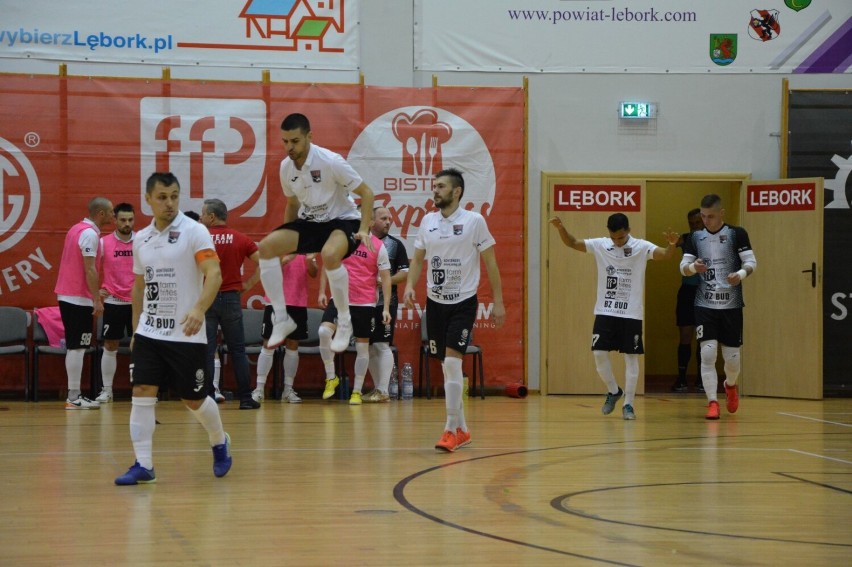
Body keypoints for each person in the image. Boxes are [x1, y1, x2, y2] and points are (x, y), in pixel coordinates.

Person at [114, 172, 231, 485]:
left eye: (175, 196)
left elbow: (214, 274)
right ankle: (143, 464)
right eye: (162, 197)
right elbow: (139, 286)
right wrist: (137, 326)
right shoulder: (141, 238)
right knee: (141, 392)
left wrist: (198, 309)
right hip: (151, 332)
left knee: (193, 399)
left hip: (186, 333)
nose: (169, 203)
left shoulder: (195, 232)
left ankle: (220, 442)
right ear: (148, 199)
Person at [404, 168, 505, 452]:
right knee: (447, 368)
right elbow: (417, 259)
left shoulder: (475, 221)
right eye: (434, 186)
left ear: (456, 191)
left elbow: (492, 265)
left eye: (440, 186)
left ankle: (450, 429)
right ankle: (463, 429)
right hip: (435, 303)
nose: (434, 190)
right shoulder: (427, 221)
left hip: (463, 302)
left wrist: (498, 302)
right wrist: (410, 286)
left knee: (451, 364)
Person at [258, 113, 375, 354]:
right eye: (285, 141)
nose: (289, 147)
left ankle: (344, 321)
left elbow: (367, 193)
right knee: (267, 247)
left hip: (343, 221)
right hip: (311, 222)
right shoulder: (285, 167)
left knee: (330, 254)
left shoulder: (331, 161)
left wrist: (364, 229)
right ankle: (281, 318)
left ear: (309, 137)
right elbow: (291, 205)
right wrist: (287, 241)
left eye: (295, 141)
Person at [549, 213, 679, 420]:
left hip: (631, 313)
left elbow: (665, 255)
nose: (617, 242)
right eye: (613, 238)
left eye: (620, 237)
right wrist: (560, 229)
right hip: (605, 310)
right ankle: (613, 390)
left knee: (631, 358)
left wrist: (672, 245)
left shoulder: (641, 246)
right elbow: (573, 243)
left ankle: (628, 404)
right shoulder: (601, 245)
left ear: (628, 230)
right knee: (599, 354)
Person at [680, 194, 757, 420]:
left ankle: (730, 385)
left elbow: (752, 262)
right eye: (703, 216)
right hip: (705, 304)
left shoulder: (737, 234)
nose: (706, 221)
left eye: (711, 216)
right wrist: (693, 267)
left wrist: (741, 274)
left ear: (722, 213)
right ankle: (712, 402)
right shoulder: (695, 237)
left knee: (732, 358)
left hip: (731, 305)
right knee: (708, 353)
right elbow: (683, 267)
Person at [200, 198, 261, 410]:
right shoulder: (240, 238)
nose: (200, 218)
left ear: (212, 216)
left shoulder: (201, 238)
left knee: (207, 350)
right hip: (231, 299)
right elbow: (265, 261)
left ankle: (207, 398)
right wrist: (248, 284)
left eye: (203, 214)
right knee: (237, 350)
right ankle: (245, 398)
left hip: (206, 299)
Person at [55, 196, 115, 409]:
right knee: (78, 347)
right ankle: (73, 396)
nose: (113, 216)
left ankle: (74, 395)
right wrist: (96, 299)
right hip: (77, 298)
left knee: (76, 346)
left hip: (70, 295)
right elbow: (90, 269)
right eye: (111, 212)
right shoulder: (89, 234)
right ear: (100, 214)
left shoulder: (76, 229)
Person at [317, 232, 391, 404]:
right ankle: (331, 377)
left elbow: (386, 278)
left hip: (364, 303)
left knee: (362, 348)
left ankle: (356, 391)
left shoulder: (378, 245)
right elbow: (327, 264)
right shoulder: (342, 240)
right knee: (323, 332)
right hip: (339, 298)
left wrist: (385, 307)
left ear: (370, 223)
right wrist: (321, 291)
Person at [252, 253, 318, 404]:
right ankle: (259, 389)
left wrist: (310, 262)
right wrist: (284, 260)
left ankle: (288, 389)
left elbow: (314, 273)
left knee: (293, 345)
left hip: (298, 302)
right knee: (269, 344)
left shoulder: (307, 249)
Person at [364, 206, 409, 402]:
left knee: (382, 345)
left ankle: (383, 390)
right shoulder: (360, 244)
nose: (388, 222)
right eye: (383, 218)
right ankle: (377, 389)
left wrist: (383, 281)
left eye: (390, 218)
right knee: (368, 346)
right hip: (363, 303)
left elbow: (405, 273)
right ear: (371, 222)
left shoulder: (395, 245)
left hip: (385, 303)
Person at [95, 202, 135, 403]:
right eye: (122, 220)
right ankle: (107, 390)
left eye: (130, 220)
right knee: (110, 345)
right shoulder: (103, 243)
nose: (127, 223)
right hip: (113, 301)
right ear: (115, 220)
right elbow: (90, 268)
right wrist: (96, 291)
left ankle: (141, 390)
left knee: (142, 346)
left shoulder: (143, 241)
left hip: (138, 302)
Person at [672, 208, 705, 393]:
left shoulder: (713, 239)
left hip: (706, 292)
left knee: (704, 338)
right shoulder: (685, 239)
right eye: (691, 223)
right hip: (687, 292)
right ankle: (682, 379)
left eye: (697, 223)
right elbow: (669, 248)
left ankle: (701, 379)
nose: (694, 227)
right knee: (685, 337)